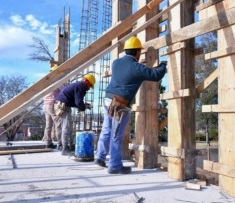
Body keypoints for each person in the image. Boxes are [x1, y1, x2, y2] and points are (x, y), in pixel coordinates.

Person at [94, 36, 167, 174]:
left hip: (108, 100)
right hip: (119, 105)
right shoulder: (137, 68)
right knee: (116, 135)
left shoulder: (116, 63)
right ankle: (114, 166)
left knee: (107, 130)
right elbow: (155, 75)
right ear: (137, 52)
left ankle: (100, 157)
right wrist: (163, 65)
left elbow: (129, 69)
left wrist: (140, 66)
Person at [55, 73, 95, 155]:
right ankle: (65, 148)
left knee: (68, 127)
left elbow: (75, 101)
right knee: (66, 127)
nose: (89, 88)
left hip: (64, 104)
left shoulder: (77, 85)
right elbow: (78, 102)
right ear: (87, 83)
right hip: (63, 106)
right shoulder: (81, 87)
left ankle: (69, 146)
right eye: (90, 86)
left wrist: (82, 106)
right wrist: (82, 107)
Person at [43, 65, 63, 149]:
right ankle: (60, 143)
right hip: (51, 104)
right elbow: (63, 89)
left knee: (48, 125)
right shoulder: (56, 81)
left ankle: (48, 142)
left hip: (45, 105)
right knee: (58, 123)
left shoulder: (47, 81)